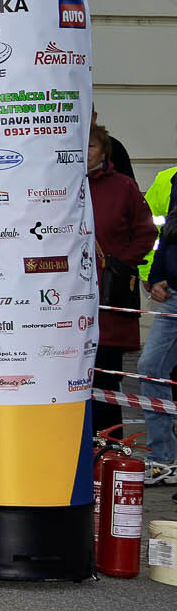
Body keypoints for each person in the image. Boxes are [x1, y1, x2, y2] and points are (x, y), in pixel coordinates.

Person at [87, 125, 156, 439]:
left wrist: (121, 263)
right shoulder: (60, 184)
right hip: (66, 302)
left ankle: (110, 448)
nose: (84, 152)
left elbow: (146, 232)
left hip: (109, 300)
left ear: (104, 151)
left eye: (91, 146)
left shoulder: (123, 186)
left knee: (105, 382)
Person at [137, 206, 177, 482]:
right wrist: (155, 279)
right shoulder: (173, 186)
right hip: (172, 296)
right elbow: (167, 235)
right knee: (150, 367)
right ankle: (162, 459)